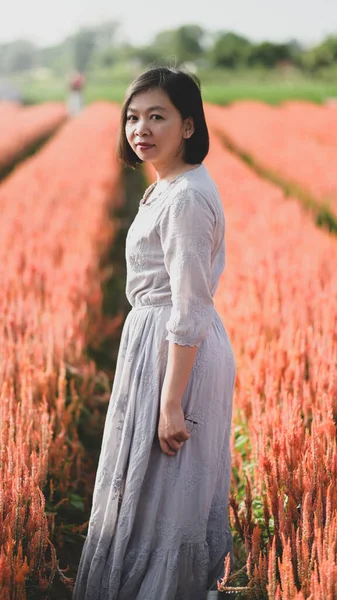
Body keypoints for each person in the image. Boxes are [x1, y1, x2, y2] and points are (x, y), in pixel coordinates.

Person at [72, 66, 236, 600]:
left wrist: (171, 402)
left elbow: (189, 305)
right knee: (153, 494)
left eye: (157, 116)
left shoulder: (185, 196)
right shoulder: (168, 185)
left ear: (188, 126)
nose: (140, 128)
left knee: (166, 498)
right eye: (133, 116)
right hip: (159, 343)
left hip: (175, 352)